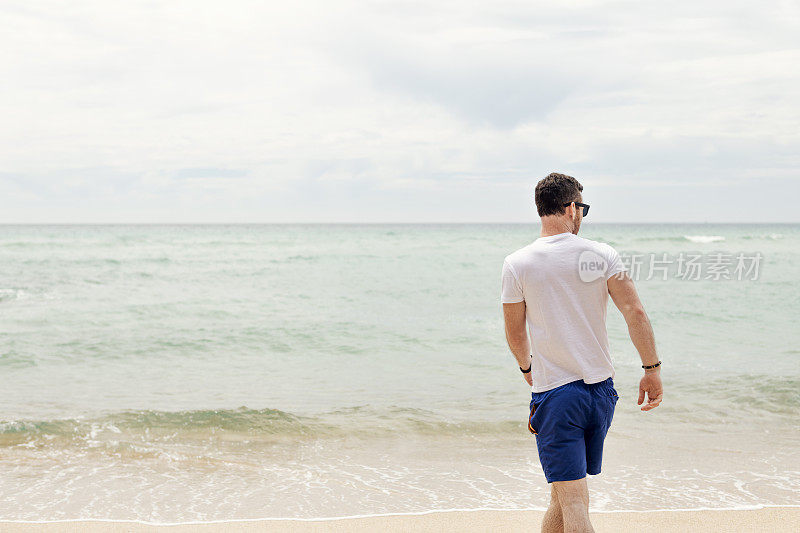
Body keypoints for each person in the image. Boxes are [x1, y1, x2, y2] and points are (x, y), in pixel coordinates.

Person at [501, 172, 663, 533]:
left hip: (557, 394)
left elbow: (514, 331)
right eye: (583, 209)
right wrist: (651, 368)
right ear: (572, 208)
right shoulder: (602, 254)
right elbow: (634, 312)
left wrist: (527, 368)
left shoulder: (518, 263)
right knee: (563, 495)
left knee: (573, 499)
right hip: (602, 394)